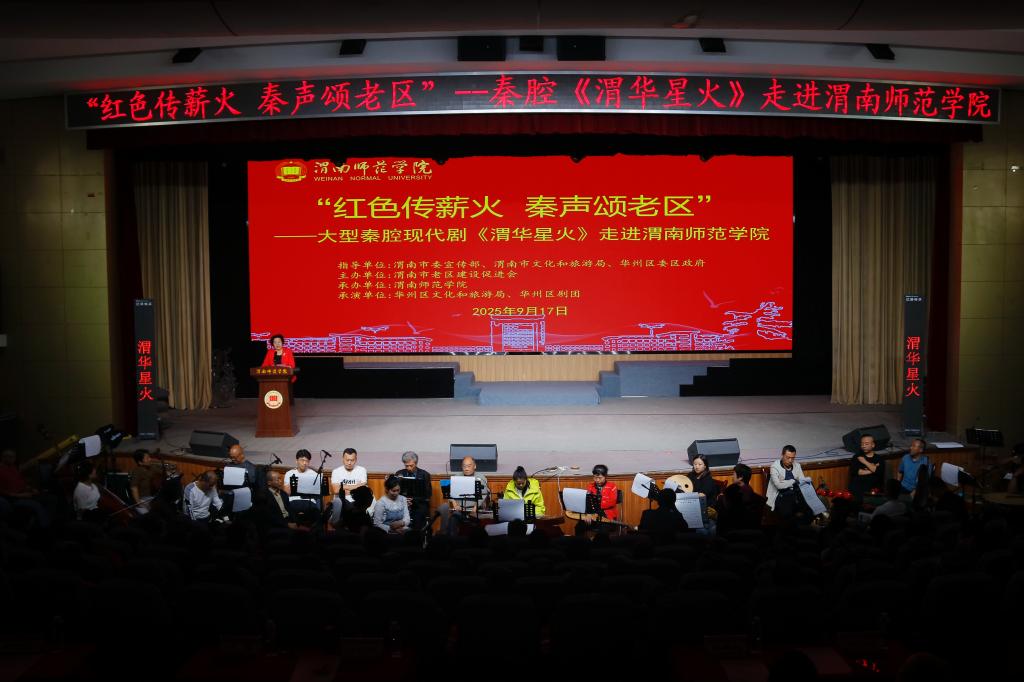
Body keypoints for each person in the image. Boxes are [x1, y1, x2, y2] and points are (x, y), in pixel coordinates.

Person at [437, 456, 490, 534]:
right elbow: (449, 493)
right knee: (453, 520)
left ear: (475, 466)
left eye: (469, 466)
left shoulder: (481, 478)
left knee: (476, 526)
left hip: (475, 510)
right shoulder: (456, 477)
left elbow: (484, 495)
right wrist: (454, 504)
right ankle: (452, 540)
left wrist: (476, 507)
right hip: (459, 510)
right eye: (464, 466)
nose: (466, 468)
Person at [0, 448, 52, 528]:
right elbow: (5, 494)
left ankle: (45, 521)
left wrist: (31, 489)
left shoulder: (13, 467)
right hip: (14, 499)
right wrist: (21, 495)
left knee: (51, 498)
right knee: (37, 506)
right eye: (9, 457)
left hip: (24, 493)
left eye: (13, 457)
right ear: (3, 457)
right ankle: (45, 527)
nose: (12, 459)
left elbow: (22, 483)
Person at [715, 463, 766, 533]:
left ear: (740, 477)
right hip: (750, 530)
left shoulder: (736, 493)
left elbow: (730, 514)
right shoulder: (750, 491)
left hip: (734, 530)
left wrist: (721, 498)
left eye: (734, 474)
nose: (732, 477)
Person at [767, 445, 811, 518]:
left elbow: (802, 481)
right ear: (782, 455)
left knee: (809, 505)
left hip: (795, 495)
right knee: (791, 507)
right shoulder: (774, 466)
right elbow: (779, 485)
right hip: (780, 496)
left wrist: (785, 482)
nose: (790, 460)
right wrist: (794, 481)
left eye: (792, 458)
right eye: (788, 457)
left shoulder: (797, 465)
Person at [394, 451, 431, 531]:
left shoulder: (424, 475)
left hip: (419, 504)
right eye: (406, 466)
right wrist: (404, 500)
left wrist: (412, 500)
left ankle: (416, 536)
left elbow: (428, 495)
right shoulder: (399, 474)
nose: (409, 468)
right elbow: (394, 492)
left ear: (416, 463)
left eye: (411, 465)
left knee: (419, 516)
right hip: (401, 503)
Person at [849, 434, 884, 502]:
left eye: (866, 444)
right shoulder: (857, 457)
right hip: (858, 492)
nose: (863, 446)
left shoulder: (879, 458)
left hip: (874, 492)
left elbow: (880, 471)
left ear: (873, 445)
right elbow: (857, 472)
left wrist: (865, 462)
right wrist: (873, 469)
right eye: (862, 444)